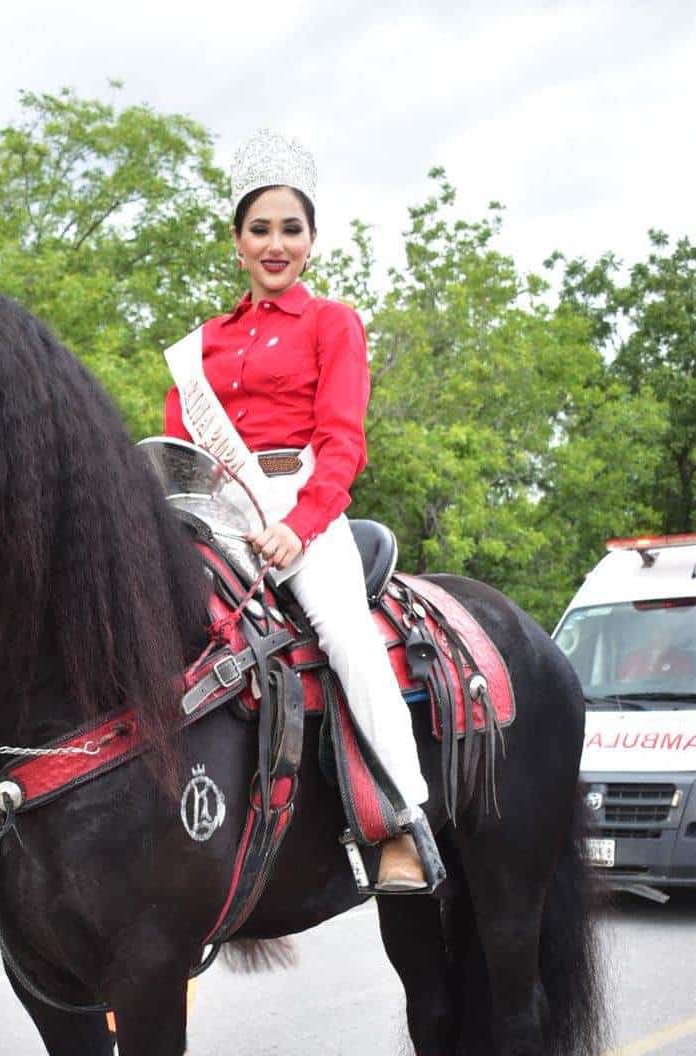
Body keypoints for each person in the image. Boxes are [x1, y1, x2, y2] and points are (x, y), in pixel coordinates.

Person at [163, 129, 434, 891]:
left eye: (291, 228)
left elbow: (344, 445)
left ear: (311, 239)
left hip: (303, 509)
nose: (275, 243)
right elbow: (181, 457)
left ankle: (399, 820)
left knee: (348, 638)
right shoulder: (202, 348)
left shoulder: (333, 324)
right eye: (260, 229)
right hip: (218, 517)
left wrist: (298, 526)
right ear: (237, 240)